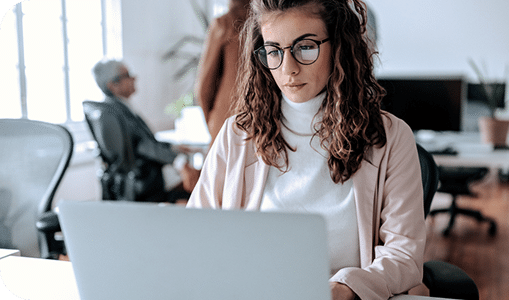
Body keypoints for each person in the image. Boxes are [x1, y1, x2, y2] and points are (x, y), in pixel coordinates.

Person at [186, 1, 426, 300]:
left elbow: (405, 256)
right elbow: (196, 239)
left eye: (306, 47)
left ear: (338, 45)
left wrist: (347, 286)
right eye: (273, 51)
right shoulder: (237, 136)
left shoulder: (390, 137)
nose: (288, 69)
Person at [92, 59, 200, 204]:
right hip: (146, 187)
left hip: (140, 182)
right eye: (128, 75)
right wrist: (179, 162)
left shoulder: (115, 109)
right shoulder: (116, 114)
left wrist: (172, 147)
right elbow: (141, 145)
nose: (134, 78)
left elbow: (141, 141)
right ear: (113, 85)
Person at [194, 0, 251, 145]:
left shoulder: (224, 23)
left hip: (228, 120)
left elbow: (204, 88)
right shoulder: (272, 20)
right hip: (265, 123)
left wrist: (214, 124)